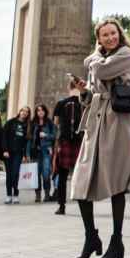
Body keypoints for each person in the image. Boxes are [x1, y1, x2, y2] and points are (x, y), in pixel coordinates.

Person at [69, 18, 130, 258]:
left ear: (119, 34)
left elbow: (98, 69)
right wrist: (83, 92)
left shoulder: (126, 54)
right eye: (105, 35)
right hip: (95, 123)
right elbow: (94, 92)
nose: (110, 38)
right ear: (98, 39)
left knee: (116, 184)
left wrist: (92, 59)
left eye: (113, 33)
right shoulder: (102, 58)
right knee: (80, 184)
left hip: (118, 125)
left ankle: (117, 240)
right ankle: (91, 237)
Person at [51, 78, 83, 215]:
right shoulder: (84, 104)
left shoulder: (61, 103)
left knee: (62, 176)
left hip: (64, 141)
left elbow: (56, 122)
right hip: (79, 141)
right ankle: (84, 203)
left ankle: (62, 206)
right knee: (82, 174)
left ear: (69, 87)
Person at [2, 106, 30, 204]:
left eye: (26, 112)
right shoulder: (11, 122)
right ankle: (8, 195)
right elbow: (4, 136)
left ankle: (16, 195)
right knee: (9, 175)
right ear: (20, 111)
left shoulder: (27, 125)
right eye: (23, 111)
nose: (24, 113)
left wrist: (25, 155)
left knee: (15, 174)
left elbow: (26, 142)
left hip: (18, 153)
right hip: (8, 152)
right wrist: (5, 150)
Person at [29, 105, 55, 203]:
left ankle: (47, 194)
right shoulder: (32, 123)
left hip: (46, 151)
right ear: (36, 112)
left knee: (46, 173)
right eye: (38, 110)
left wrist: (46, 135)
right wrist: (27, 153)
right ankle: (38, 195)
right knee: (36, 174)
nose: (40, 112)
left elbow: (54, 136)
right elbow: (29, 138)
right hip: (35, 152)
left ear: (45, 112)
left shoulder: (49, 123)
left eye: (42, 110)